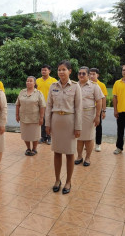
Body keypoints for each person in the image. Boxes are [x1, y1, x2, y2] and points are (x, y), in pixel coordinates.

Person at [45, 61, 82, 194]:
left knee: (70, 153)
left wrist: (78, 127)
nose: (61, 72)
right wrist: (47, 124)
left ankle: (68, 181)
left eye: (64, 69)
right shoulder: (53, 86)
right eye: (59, 69)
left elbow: (78, 108)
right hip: (56, 121)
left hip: (69, 121)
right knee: (57, 152)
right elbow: (49, 106)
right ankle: (57, 180)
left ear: (70, 71)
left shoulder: (75, 87)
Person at [75, 67, 104, 167]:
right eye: (79, 73)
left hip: (89, 114)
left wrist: (97, 116)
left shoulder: (94, 86)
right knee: (78, 137)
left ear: (88, 75)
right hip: (76, 115)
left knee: (89, 138)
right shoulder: (74, 85)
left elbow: (99, 101)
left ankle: (87, 157)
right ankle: (79, 156)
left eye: (84, 73)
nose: (81, 75)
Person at [16, 76, 46, 156]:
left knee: (34, 135)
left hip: (34, 118)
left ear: (34, 83)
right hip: (23, 118)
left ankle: (34, 149)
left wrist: (41, 117)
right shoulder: (22, 92)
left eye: (30, 81)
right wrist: (17, 115)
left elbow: (42, 106)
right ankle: (28, 148)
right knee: (25, 135)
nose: (28, 82)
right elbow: (17, 104)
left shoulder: (38, 93)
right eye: (27, 81)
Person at [36, 65, 57, 145]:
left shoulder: (53, 81)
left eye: (45, 70)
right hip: (40, 105)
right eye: (42, 70)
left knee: (49, 121)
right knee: (42, 121)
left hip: (50, 104)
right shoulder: (37, 80)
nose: (43, 71)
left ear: (49, 71)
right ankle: (43, 137)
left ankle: (50, 137)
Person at [89, 68, 108, 152]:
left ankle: (98, 144)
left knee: (98, 126)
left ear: (97, 75)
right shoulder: (86, 84)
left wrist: (103, 111)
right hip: (88, 109)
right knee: (87, 127)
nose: (92, 76)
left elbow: (104, 99)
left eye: (94, 74)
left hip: (98, 109)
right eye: (90, 74)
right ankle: (87, 143)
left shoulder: (101, 85)